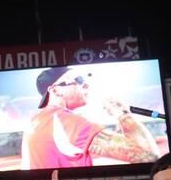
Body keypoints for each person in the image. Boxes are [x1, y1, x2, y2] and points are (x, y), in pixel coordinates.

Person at [21, 66, 160, 169]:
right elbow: (149, 157)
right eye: (79, 80)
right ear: (56, 89)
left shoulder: (35, 120)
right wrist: (123, 114)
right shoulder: (65, 122)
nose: (86, 84)